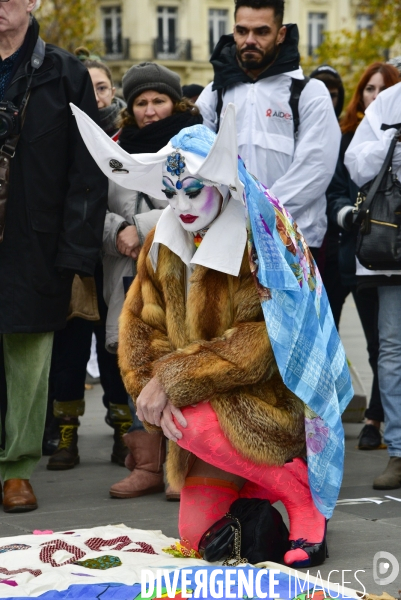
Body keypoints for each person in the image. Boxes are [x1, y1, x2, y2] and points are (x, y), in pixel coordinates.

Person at [71, 101, 352, 568]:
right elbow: (141, 326)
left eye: (193, 191)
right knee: (196, 537)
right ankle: (256, 484)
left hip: (268, 405)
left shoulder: (258, 239)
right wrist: (150, 389)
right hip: (203, 415)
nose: (179, 206)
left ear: (221, 186)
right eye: (170, 193)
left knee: (193, 423)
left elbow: (264, 342)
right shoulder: (163, 241)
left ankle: (300, 493)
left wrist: (176, 380)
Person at [0, 0, 107, 511]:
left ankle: (17, 469)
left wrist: (75, 255)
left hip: (34, 240)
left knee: (28, 360)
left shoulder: (65, 72)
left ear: (33, 2)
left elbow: (87, 173)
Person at [102, 62, 203, 500]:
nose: (149, 110)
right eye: (141, 102)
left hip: (187, 274)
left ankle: (184, 467)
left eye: (158, 100)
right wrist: (113, 231)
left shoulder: (199, 145)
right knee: (138, 363)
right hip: (129, 275)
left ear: (174, 102)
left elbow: (203, 201)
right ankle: (146, 464)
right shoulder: (114, 149)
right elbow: (87, 205)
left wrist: (138, 227)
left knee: (184, 364)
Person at [196, 0, 340, 255]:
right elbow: (197, 161)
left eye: (261, 32)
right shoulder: (214, 93)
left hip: (293, 240)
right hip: (226, 240)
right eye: (242, 31)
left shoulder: (309, 93)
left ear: (281, 34)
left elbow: (315, 168)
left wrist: (259, 211)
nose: (249, 40)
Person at [46, 49, 130, 472]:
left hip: (116, 260)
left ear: (112, 90)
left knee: (115, 349)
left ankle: (123, 431)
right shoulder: (61, 131)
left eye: (102, 87)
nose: (95, 96)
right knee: (69, 350)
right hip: (75, 258)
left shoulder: (128, 138)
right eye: (88, 88)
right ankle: (66, 434)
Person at [326, 63, 399, 451]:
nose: (374, 95)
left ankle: (376, 417)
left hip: (378, 254)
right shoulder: (349, 136)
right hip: (359, 251)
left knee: (383, 345)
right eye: (368, 88)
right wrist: (345, 213)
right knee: (351, 342)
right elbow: (337, 184)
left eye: (382, 88)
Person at [345, 81, 401, 488]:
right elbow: (356, 164)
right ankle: (398, 451)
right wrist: (393, 143)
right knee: (392, 349)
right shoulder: (389, 101)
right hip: (392, 250)